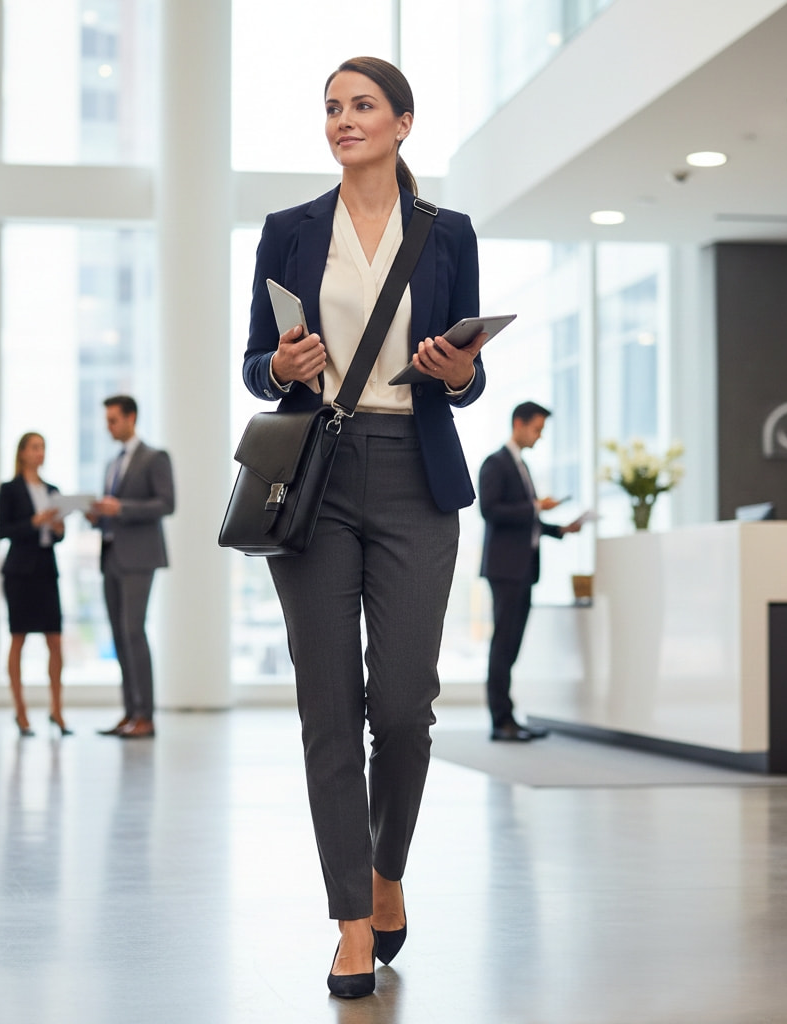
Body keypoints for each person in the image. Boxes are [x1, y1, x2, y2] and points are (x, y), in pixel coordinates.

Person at [242, 56, 486, 998]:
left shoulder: (447, 232)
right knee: (330, 710)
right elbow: (255, 364)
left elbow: (467, 370)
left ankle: (389, 870)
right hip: (316, 473)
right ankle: (351, 918)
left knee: (404, 711)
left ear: (403, 123)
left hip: (415, 475)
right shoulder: (291, 230)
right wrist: (282, 366)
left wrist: (460, 374)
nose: (343, 120)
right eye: (332, 108)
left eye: (362, 106)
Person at [479, 401, 585, 742]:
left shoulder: (521, 465)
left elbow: (527, 520)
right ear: (519, 424)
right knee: (503, 645)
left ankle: (508, 717)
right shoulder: (496, 463)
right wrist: (537, 506)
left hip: (523, 568)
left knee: (511, 645)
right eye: (537, 429)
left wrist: (559, 529)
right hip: (506, 569)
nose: (540, 437)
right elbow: (490, 510)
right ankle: (501, 721)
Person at [88, 395, 175, 740]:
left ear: (131, 418)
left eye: (113, 420)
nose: (108, 427)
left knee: (134, 632)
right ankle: (130, 712)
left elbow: (166, 504)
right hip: (111, 555)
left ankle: (146, 717)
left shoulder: (154, 457)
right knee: (120, 637)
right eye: (106, 420)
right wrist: (97, 516)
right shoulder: (112, 464)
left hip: (139, 557)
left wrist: (120, 508)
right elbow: (110, 511)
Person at [0, 432, 70, 737]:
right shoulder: (9, 490)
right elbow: (2, 529)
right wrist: (34, 522)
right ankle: (21, 712)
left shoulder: (53, 491)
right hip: (19, 572)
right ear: (23, 452)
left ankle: (57, 710)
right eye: (35, 447)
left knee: (55, 641)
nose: (40, 453)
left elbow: (59, 536)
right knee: (19, 638)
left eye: (43, 448)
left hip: (46, 570)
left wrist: (57, 527)